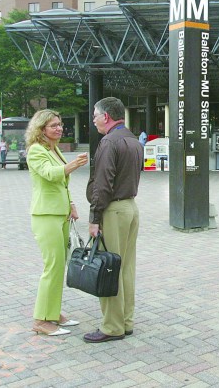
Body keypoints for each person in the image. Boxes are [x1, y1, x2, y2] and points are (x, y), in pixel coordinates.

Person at [25, 109, 89, 336]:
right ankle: (41, 320)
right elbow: (51, 174)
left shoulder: (54, 149)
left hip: (60, 214)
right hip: (46, 216)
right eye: (53, 125)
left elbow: (62, 183)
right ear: (41, 129)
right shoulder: (36, 150)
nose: (59, 128)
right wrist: (73, 165)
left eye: (60, 124)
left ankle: (52, 312)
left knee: (59, 265)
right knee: (51, 267)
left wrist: (71, 204)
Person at [85, 97, 143, 343]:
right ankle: (126, 321)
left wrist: (94, 217)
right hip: (130, 208)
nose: (94, 120)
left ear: (106, 116)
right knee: (126, 268)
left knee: (108, 268)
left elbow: (103, 184)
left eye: (95, 115)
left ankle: (112, 326)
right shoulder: (133, 140)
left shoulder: (108, 142)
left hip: (113, 211)